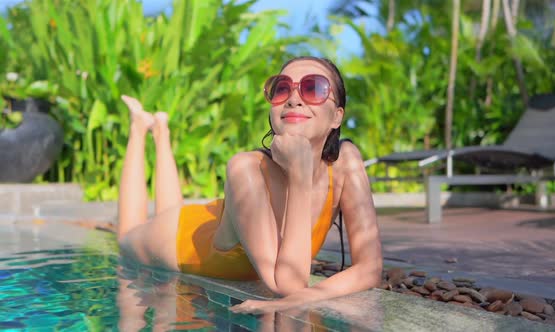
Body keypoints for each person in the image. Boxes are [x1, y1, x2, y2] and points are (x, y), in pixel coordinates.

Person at [117, 56, 383, 314]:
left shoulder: (345, 162)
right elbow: (288, 284)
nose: (293, 98)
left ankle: (161, 131)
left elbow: (369, 268)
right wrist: (299, 175)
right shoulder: (245, 168)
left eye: (313, 88)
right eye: (282, 88)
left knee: (171, 208)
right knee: (125, 237)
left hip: (214, 220)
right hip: (175, 239)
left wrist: (306, 298)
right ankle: (139, 128)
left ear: (337, 117)